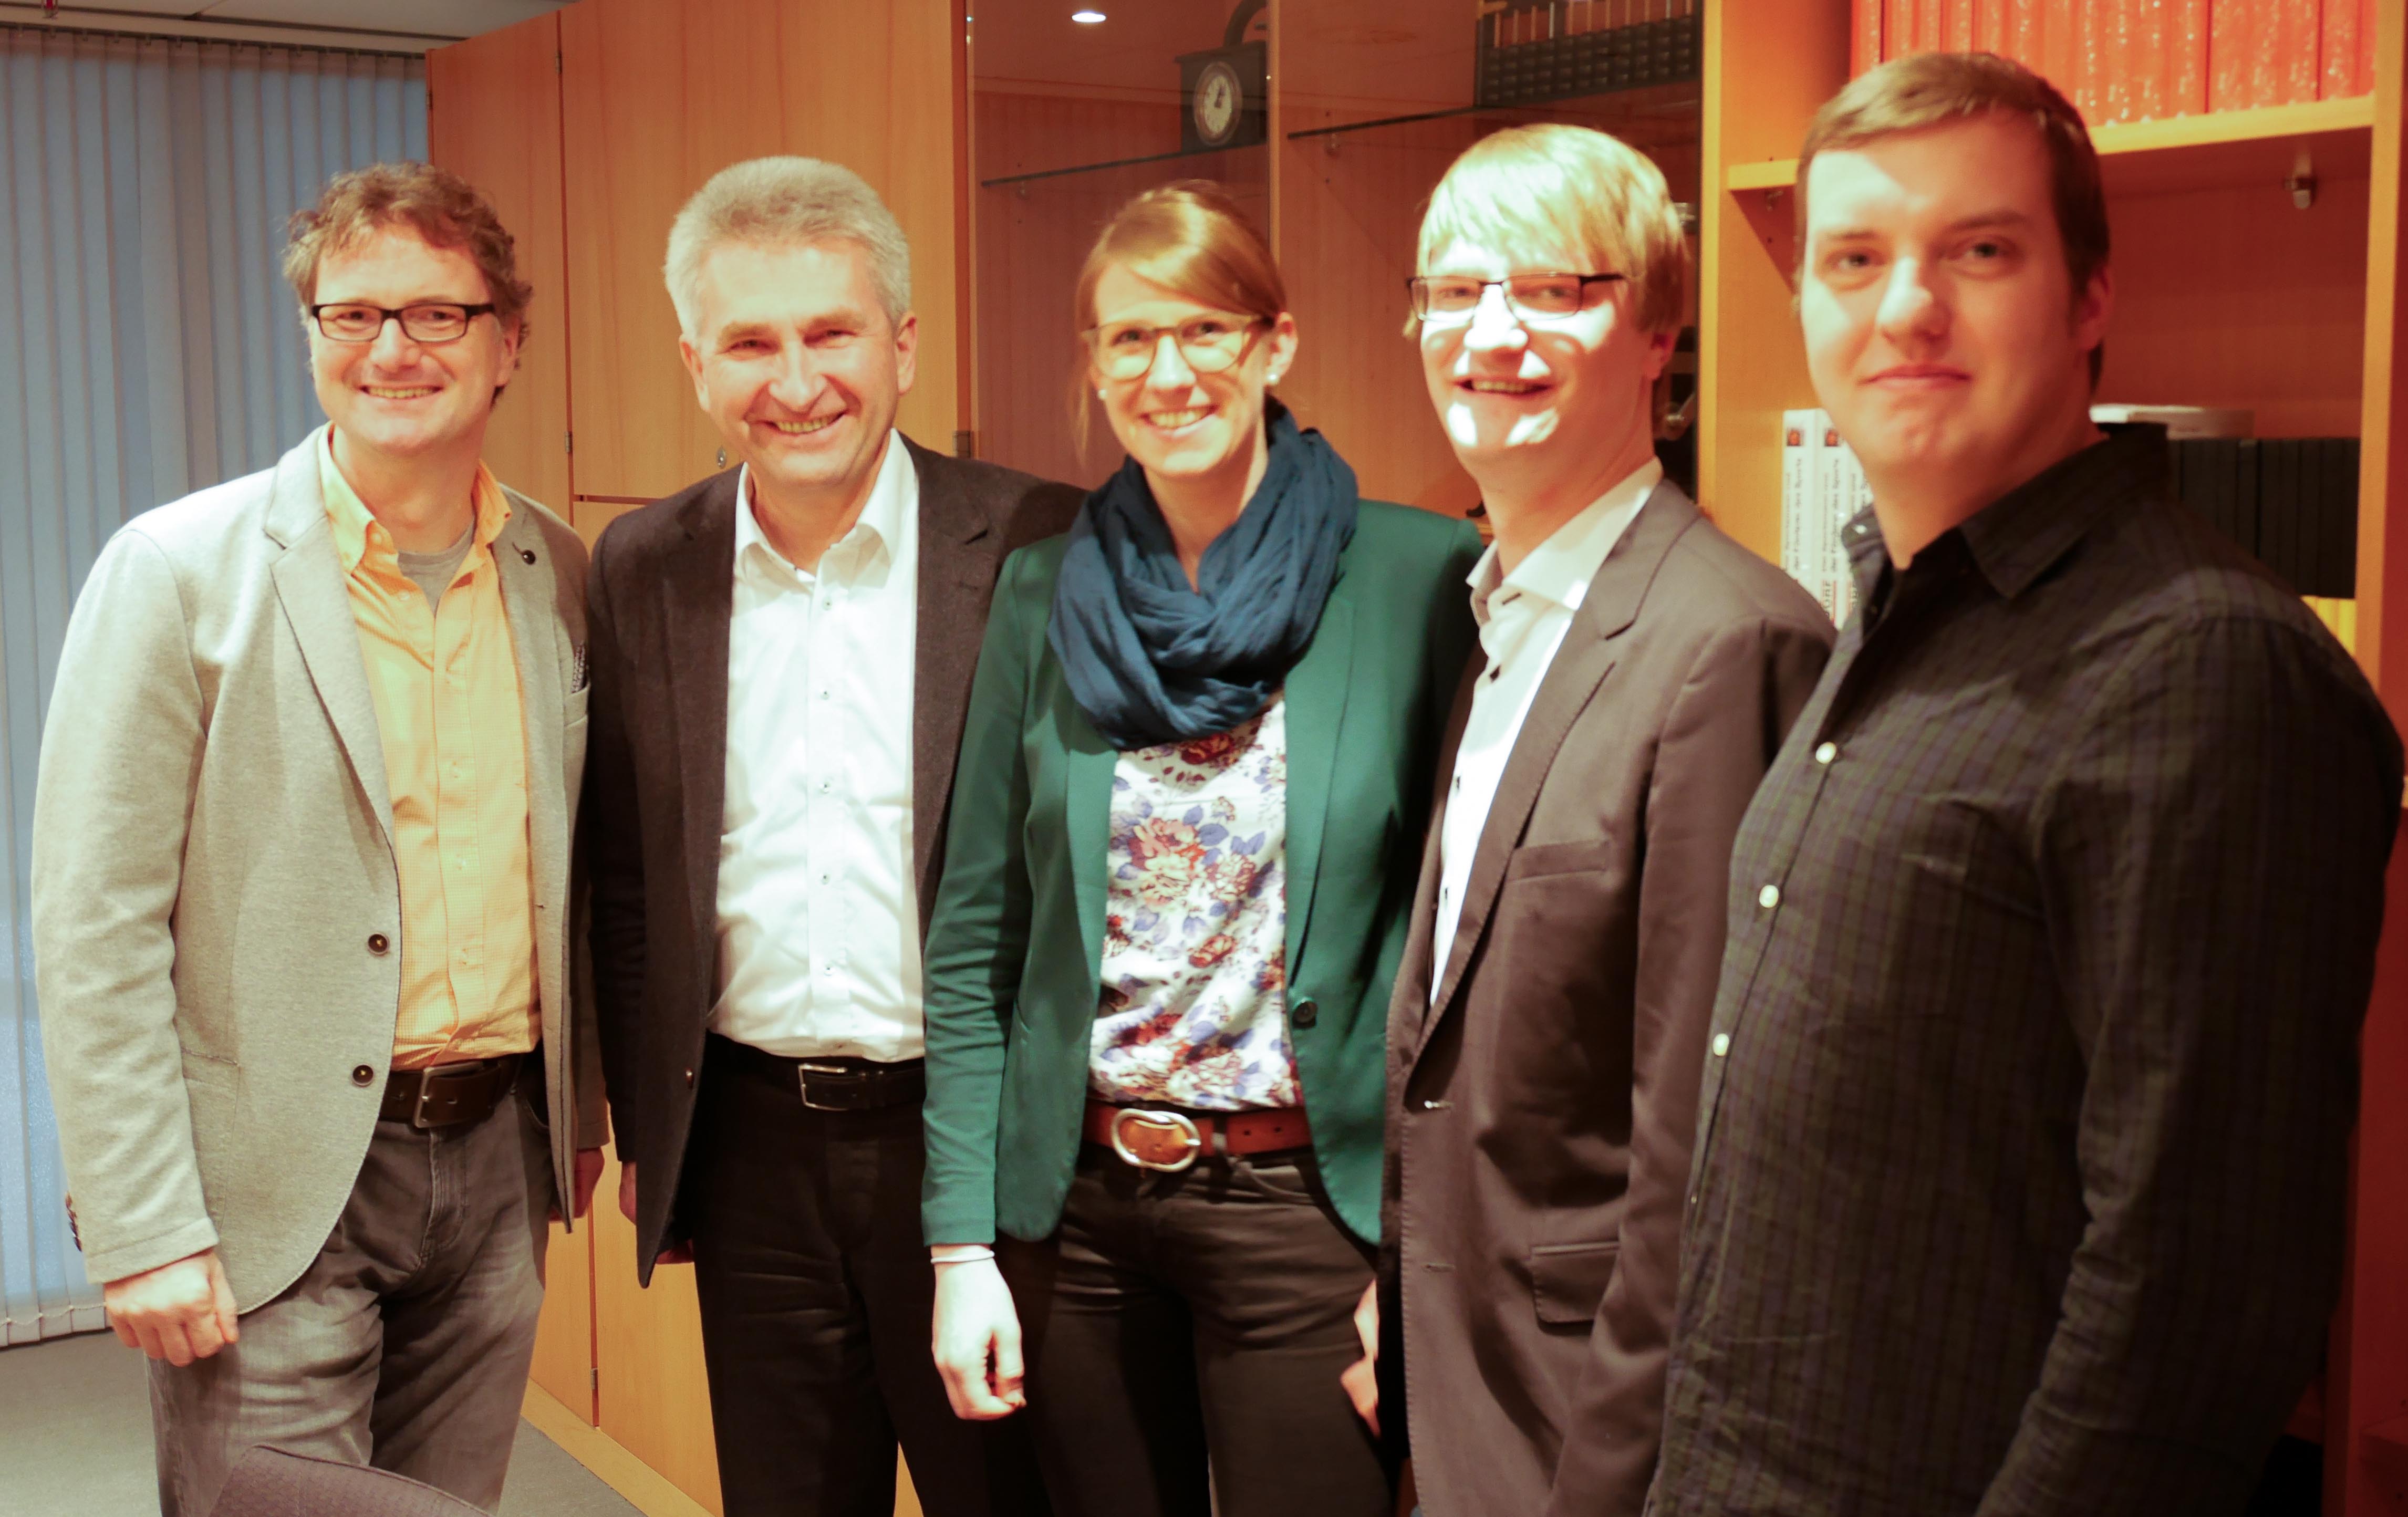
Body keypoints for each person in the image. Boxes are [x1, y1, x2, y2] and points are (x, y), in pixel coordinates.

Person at [1648, 53, 2404, 1516]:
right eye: (1854, 259)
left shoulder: (2203, 669)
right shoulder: (1892, 611)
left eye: (1980, 251)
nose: (1906, 307)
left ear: (2092, 296)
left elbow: (2195, 1307)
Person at [30, 162, 605, 1516]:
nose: (391, 350)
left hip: (495, 1168)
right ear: (312, 338)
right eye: (352, 315)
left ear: (508, 341)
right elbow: (95, 921)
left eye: (436, 314)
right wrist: (141, 1225)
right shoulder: (177, 571)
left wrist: (577, 1111)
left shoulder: (559, 571)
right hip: (271, 1188)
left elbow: (578, 875)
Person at [919, 181, 1481, 1517]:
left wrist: (1421, 1255)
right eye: (1130, 339)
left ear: (1276, 342)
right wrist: (959, 1247)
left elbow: (1466, 954)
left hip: (1309, 1206)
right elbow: (978, 936)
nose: (1168, 373)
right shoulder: (1045, 592)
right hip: (1080, 1211)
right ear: (1094, 364)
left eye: (1206, 330)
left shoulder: (1414, 577)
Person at [1343, 126, 1833, 1517]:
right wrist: (1401, 1290)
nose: (1491, 332)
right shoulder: (1498, 610)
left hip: (1591, 1424)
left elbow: (1704, 1138)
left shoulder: (1729, 641)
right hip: (1458, 1370)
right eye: (1456, 290)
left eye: (1555, 289)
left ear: (1658, 334)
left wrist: (1610, 1472)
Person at [584, 155, 1072, 1517]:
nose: (796, 383)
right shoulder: (644, 565)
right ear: (696, 364)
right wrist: (651, 1127)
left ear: (902, 345)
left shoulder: (1041, 542)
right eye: (751, 342)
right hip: (751, 1151)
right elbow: (629, 881)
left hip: (974, 1139)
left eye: (831, 333)